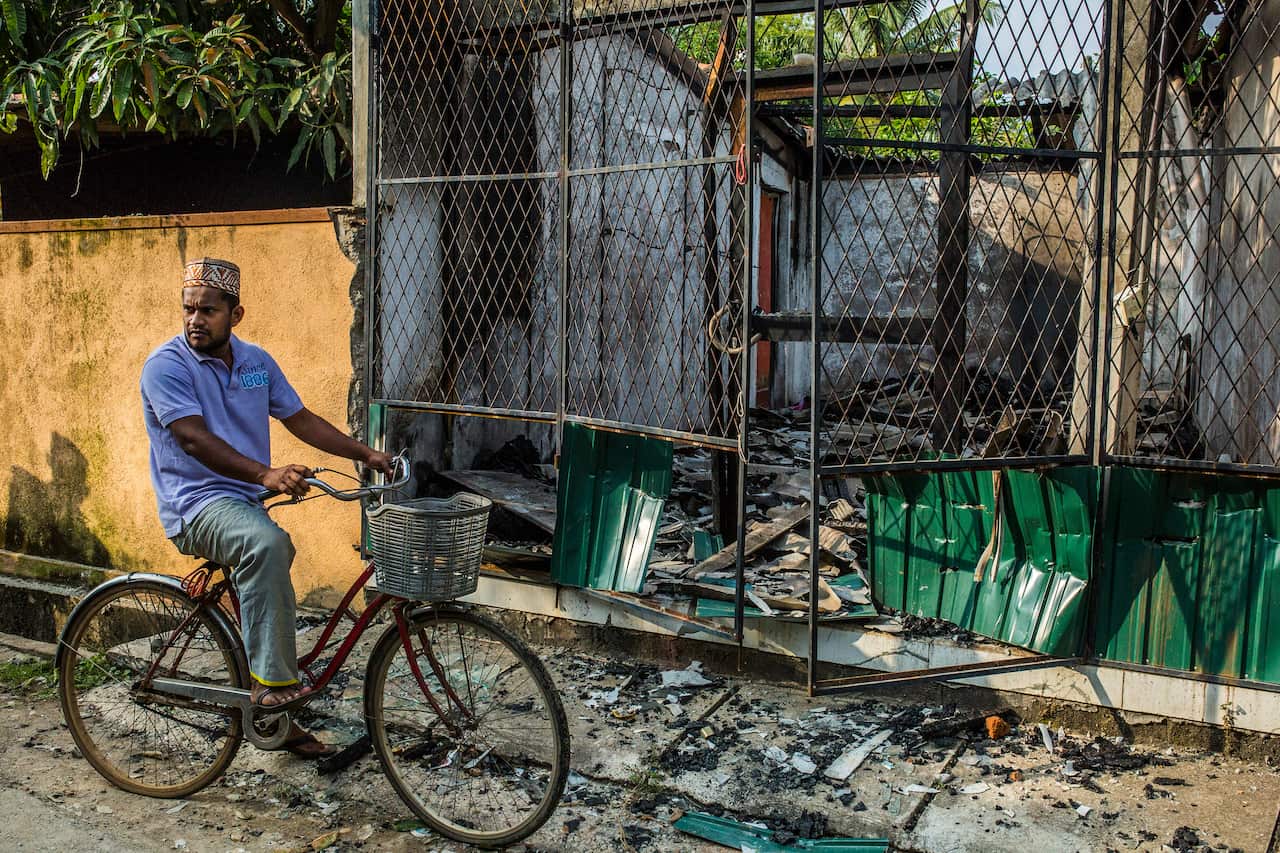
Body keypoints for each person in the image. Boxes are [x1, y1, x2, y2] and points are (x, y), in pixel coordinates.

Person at [140, 257, 392, 758]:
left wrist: (366, 454)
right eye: (188, 309)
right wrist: (264, 474)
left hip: (243, 497)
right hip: (196, 504)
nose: (195, 320)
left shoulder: (256, 364)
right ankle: (270, 686)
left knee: (266, 578)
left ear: (236, 314)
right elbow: (191, 439)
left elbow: (300, 419)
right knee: (268, 545)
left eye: (208, 310)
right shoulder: (167, 366)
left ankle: (278, 721)